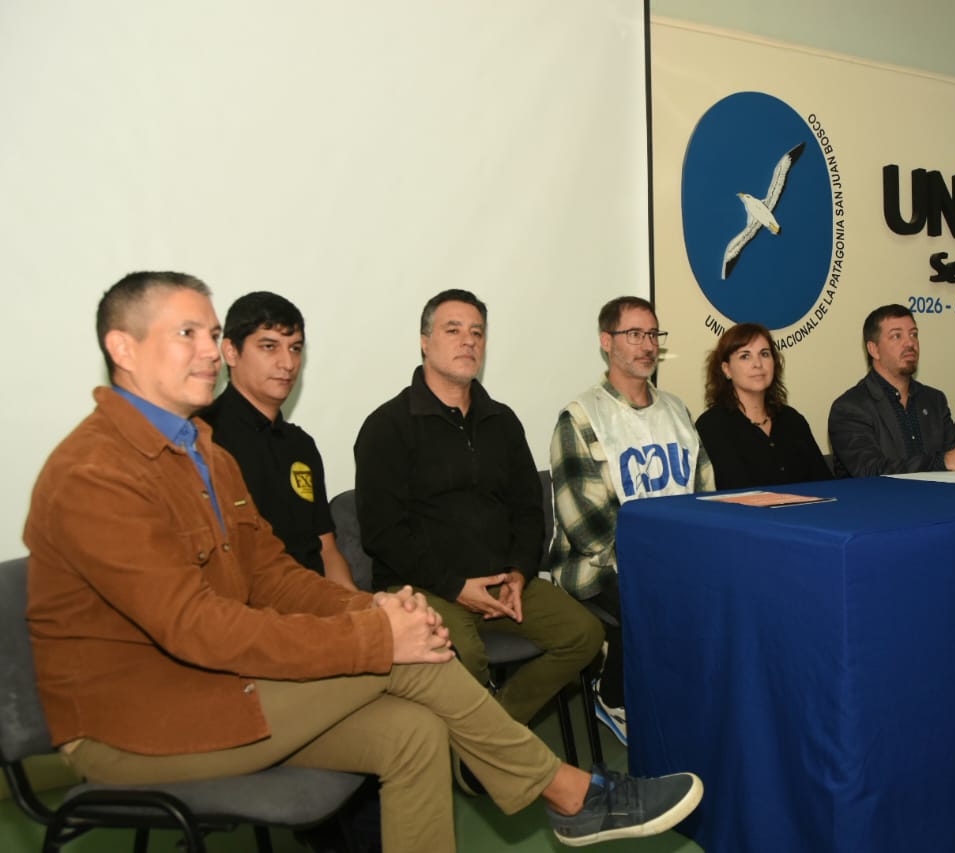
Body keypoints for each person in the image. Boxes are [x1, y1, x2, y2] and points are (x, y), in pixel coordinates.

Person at [24, 271, 703, 853]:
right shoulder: (95, 473)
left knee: (414, 732)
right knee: (411, 657)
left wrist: (373, 606)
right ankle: (571, 792)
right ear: (123, 347)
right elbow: (195, 627)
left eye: (211, 333)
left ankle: (562, 791)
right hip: (136, 723)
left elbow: (272, 573)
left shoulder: (203, 452)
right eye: (188, 334)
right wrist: (378, 634)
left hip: (216, 686)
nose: (210, 351)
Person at [354, 289, 603, 733]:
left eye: (477, 332)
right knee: (465, 655)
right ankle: (490, 744)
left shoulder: (501, 421)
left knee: (584, 635)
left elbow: (528, 508)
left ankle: (493, 732)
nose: (468, 340)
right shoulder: (387, 426)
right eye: (453, 330)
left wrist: (519, 572)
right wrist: (454, 586)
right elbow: (382, 532)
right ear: (424, 342)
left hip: (502, 582)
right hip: (424, 584)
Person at [548, 296, 714, 746]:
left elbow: (705, 492)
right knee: (655, 597)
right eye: (634, 334)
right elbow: (587, 527)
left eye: (653, 335)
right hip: (598, 567)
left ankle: (691, 697)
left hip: (672, 558)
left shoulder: (676, 411)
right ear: (607, 342)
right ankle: (615, 696)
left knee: (724, 592)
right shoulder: (581, 417)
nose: (647, 345)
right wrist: (656, 563)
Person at [200, 291, 355, 589]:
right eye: (269, 347)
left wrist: (359, 606)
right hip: (251, 607)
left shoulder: (300, 445)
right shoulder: (202, 438)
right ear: (230, 352)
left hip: (317, 601)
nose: (288, 363)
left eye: (295, 348)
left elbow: (326, 550)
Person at [828, 304, 955, 477]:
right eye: (897, 336)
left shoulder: (934, 400)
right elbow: (870, 470)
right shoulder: (850, 408)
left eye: (914, 334)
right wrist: (944, 462)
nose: (910, 343)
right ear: (874, 349)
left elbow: (954, 455)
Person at [695, 322, 830, 489]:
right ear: (726, 369)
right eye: (745, 356)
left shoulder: (793, 420)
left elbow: (826, 485)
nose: (758, 364)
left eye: (764, 354)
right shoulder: (711, 426)